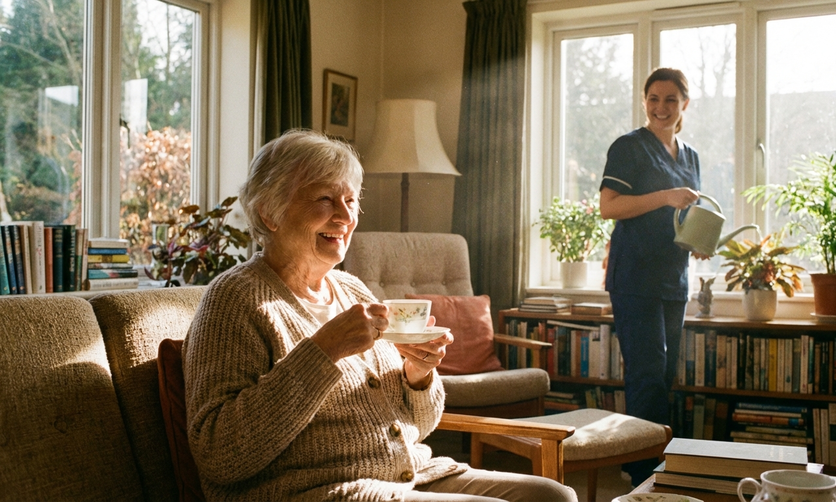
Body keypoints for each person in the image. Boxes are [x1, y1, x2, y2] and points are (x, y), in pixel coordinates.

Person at [182, 129, 577, 502]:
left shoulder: (352, 290)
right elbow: (219, 454)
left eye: (351, 200)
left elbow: (420, 426)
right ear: (270, 212)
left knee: (552, 496)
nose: (345, 216)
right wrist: (323, 351)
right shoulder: (235, 299)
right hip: (321, 490)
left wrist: (418, 376)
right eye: (325, 199)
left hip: (412, 474)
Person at [598, 68, 704, 485]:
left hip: (673, 279)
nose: (661, 107)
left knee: (664, 375)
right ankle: (645, 472)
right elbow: (609, 206)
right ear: (644, 101)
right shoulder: (628, 147)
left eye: (670, 99)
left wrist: (699, 239)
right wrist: (664, 197)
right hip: (634, 277)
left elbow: (685, 216)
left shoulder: (691, 156)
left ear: (684, 104)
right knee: (646, 373)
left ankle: (653, 462)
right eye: (654, 99)